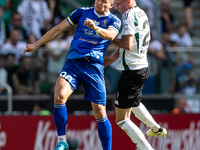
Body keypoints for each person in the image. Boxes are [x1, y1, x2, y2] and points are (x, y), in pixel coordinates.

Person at [23, 0, 121, 150]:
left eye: (104, 1)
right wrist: (36, 44)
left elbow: (112, 36)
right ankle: (62, 141)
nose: (99, 3)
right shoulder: (81, 12)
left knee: (100, 112)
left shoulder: (114, 20)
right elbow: (58, 29)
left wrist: (96, 28)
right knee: (59, 95)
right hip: (74, 64)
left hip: (93, 67)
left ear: (111, 5)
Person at [104, 0, 167, 149]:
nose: (116, 7)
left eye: (119, 3)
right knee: (133, 103)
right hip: (141, 67)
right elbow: (132, 41)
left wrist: (108, 36)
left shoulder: (128, 15)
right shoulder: (141, 13)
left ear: (128, 2)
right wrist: (114, 56)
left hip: (132, 71)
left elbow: (127, 43)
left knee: (121, 120)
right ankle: (156, 128)